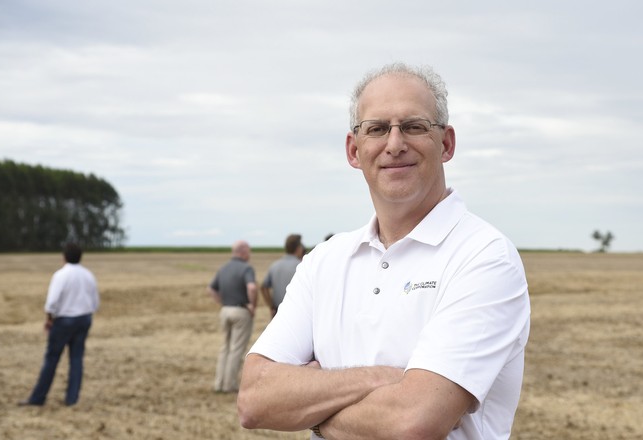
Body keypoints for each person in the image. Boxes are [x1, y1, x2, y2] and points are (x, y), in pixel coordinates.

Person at [237, 63, 531, 439]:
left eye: (414, 126)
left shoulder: (484, 257)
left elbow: (413, 423)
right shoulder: (326, 260)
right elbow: (254, 398)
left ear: (446, 144)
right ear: (353, 150)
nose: (394, 144)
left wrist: (307, 406)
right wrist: (384, 379)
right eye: (376, 129)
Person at [19, 242, 100, 407]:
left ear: (64, 257)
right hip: (84, 319)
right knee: (76, 359)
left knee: (52, 359)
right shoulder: (88, 275)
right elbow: (95, 302)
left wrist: (49, 319)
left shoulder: (61, 275)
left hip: (64, 320)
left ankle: (38, 398)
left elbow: (52, 302)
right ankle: (72, 399)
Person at [207, 240, 258, 393]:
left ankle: (219, 383)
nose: (249, 254)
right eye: (248, 251)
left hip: (225, 310)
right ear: (242, 251)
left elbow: (211, 289)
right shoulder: (247, 268)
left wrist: (222, 302)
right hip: (240, 311)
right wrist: (252, 305)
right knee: (236, 349)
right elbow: (252, 287)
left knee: (225, 348)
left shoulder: (223, 268)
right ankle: (230, 385)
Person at [260, 234, 305, 318]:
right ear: (298, 248)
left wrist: (271, 306)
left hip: (278, 311)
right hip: (296, 313)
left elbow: (263, 287)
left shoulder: (274, 265)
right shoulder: (302, 266)